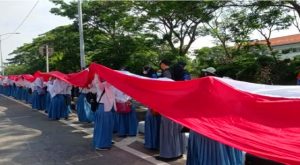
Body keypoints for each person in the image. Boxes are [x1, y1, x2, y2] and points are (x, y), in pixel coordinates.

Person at [186, 67, 244, 165]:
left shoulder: (203, 90)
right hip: (221, 129)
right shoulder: (230, 91)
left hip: (207, 129)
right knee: (222, 153)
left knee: (210, 152)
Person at [156, 59, 186, 160]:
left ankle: (168, 155)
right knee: (177, 131)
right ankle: (179, 152)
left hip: (168, 109)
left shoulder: (164, 80)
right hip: (179, 109)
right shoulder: (182, 84)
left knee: (168, 131)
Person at [93, 75, 115, 150]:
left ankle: (103, 142)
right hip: (104, 108)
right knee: (103, 127)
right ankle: (101, 145)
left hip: (104, 108)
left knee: (105, 127)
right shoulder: (102, 85)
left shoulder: (103, 84)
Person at [142, 66, 161, 150]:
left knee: (151, 127)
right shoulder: (159, 83)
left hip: (152, 110)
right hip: (158, 110)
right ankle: (156, 144)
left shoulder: (148, 84)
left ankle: (150, 144)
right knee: (157, 128)